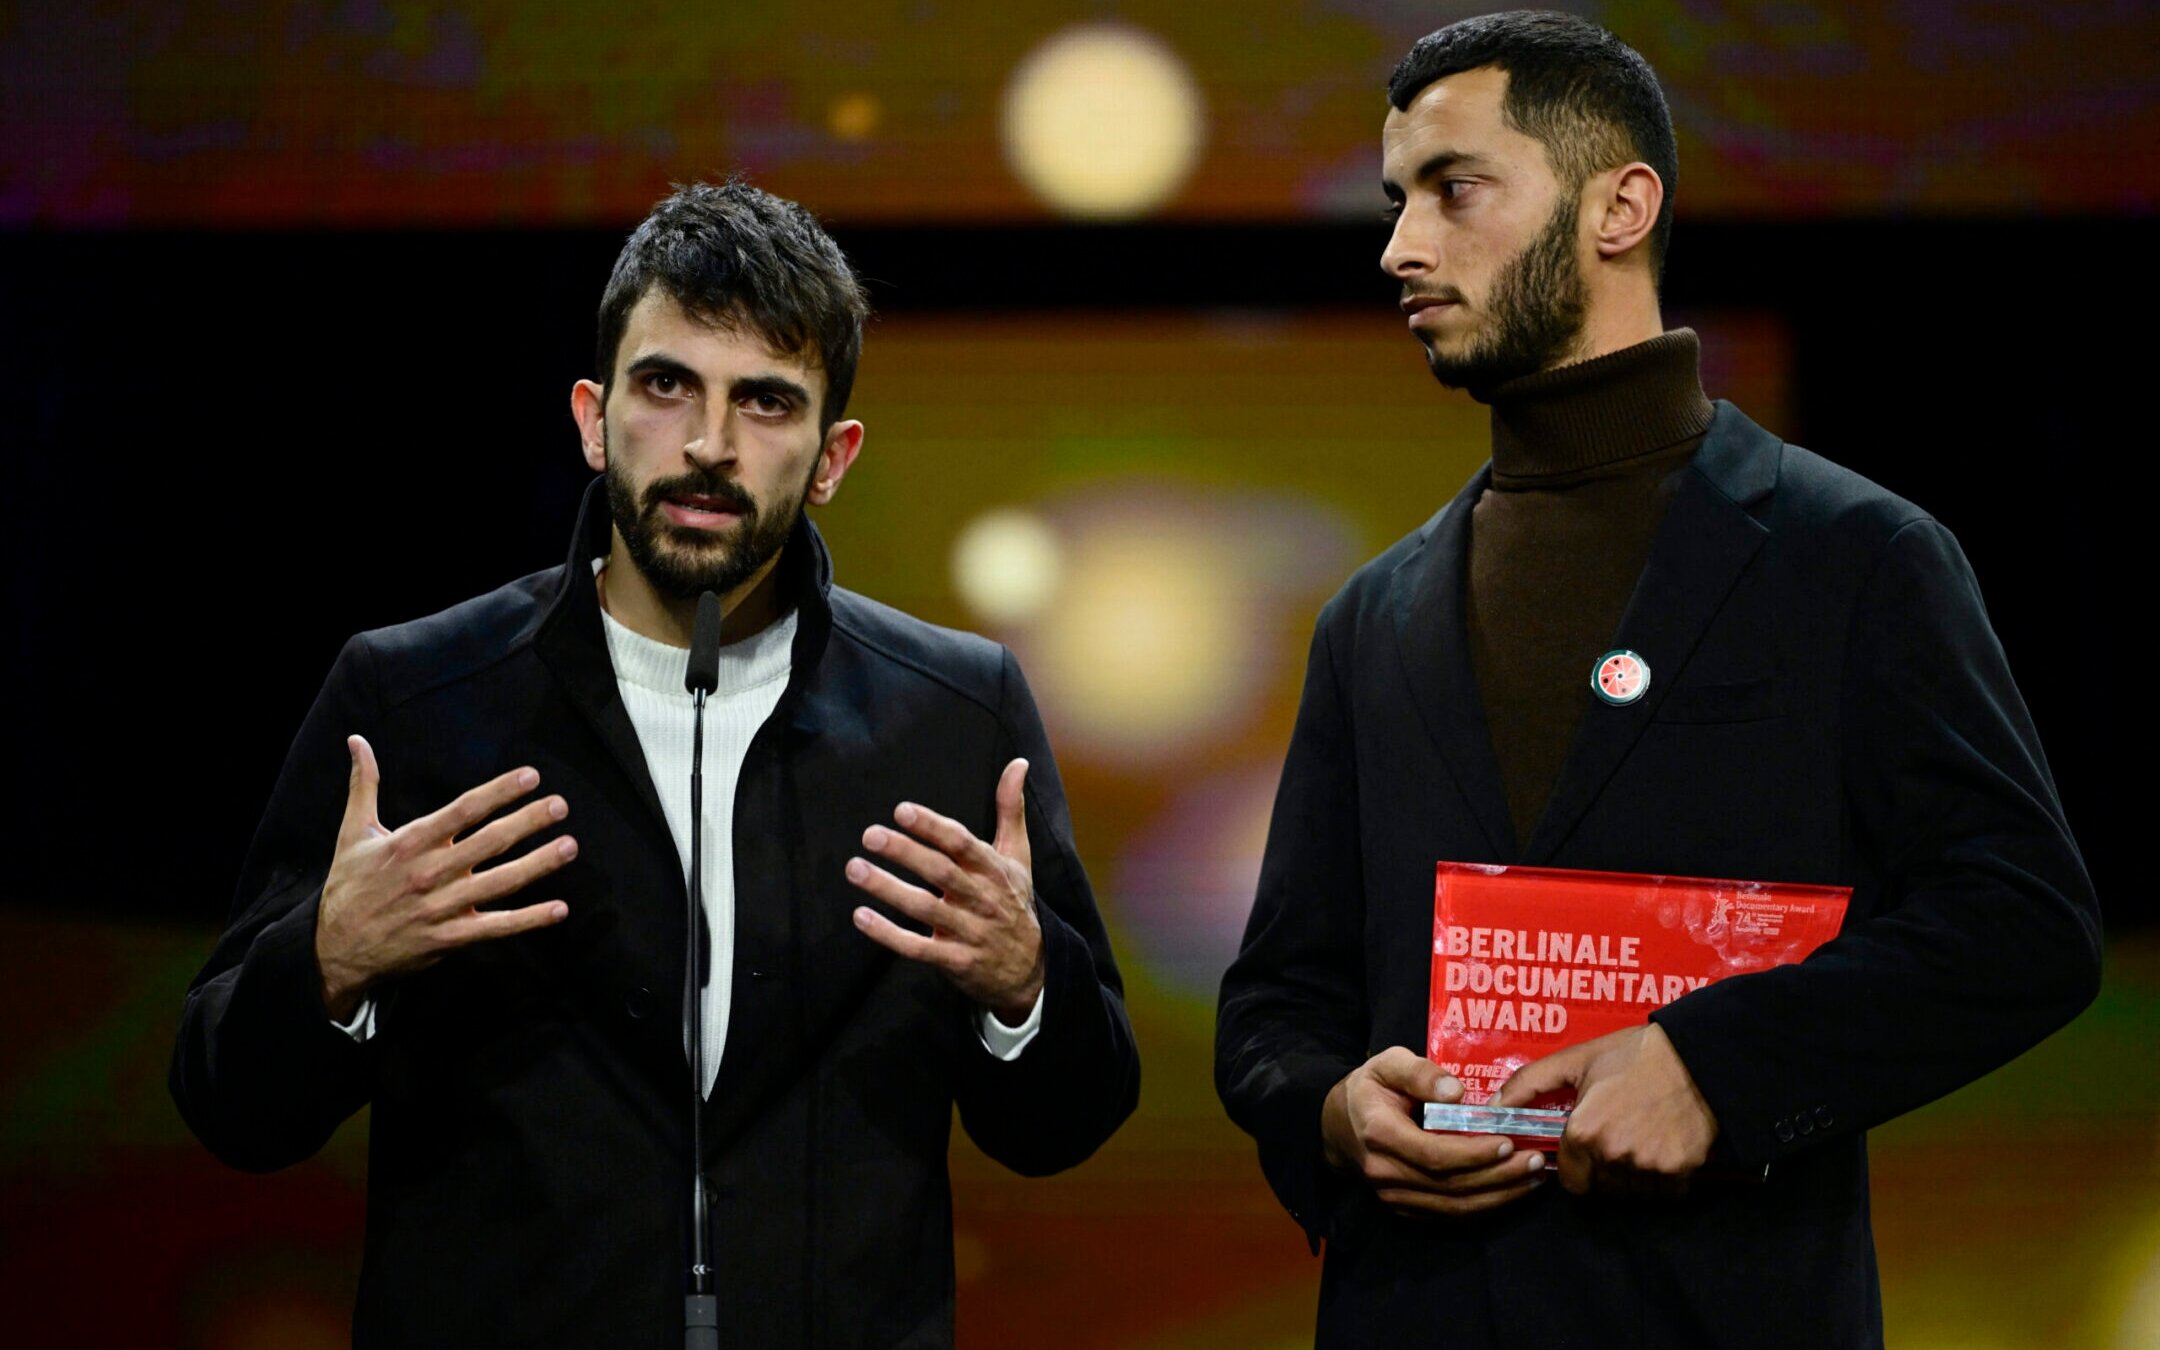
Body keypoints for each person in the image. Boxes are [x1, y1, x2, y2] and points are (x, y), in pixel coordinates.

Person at [1213, 13, 2100, 1348]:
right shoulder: (1371, 619)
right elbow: (1278, 1004)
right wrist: (1338, 1111)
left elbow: (2022, 923)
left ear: (1621, 205)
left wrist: (1716, 1065)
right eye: (1399, 202)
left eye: (1455, 189)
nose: (1399, 245)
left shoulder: (1857, 557)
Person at [171, 179, 1140, 1349]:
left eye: (767, 403)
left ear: (834, 456)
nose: (709, 446)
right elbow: (234, 1110)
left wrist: (1027, 988)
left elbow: (1064, 1125)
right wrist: (326, 962)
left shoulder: (956, 714)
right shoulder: (415, 699)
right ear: (591, 415)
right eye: (665, 385)